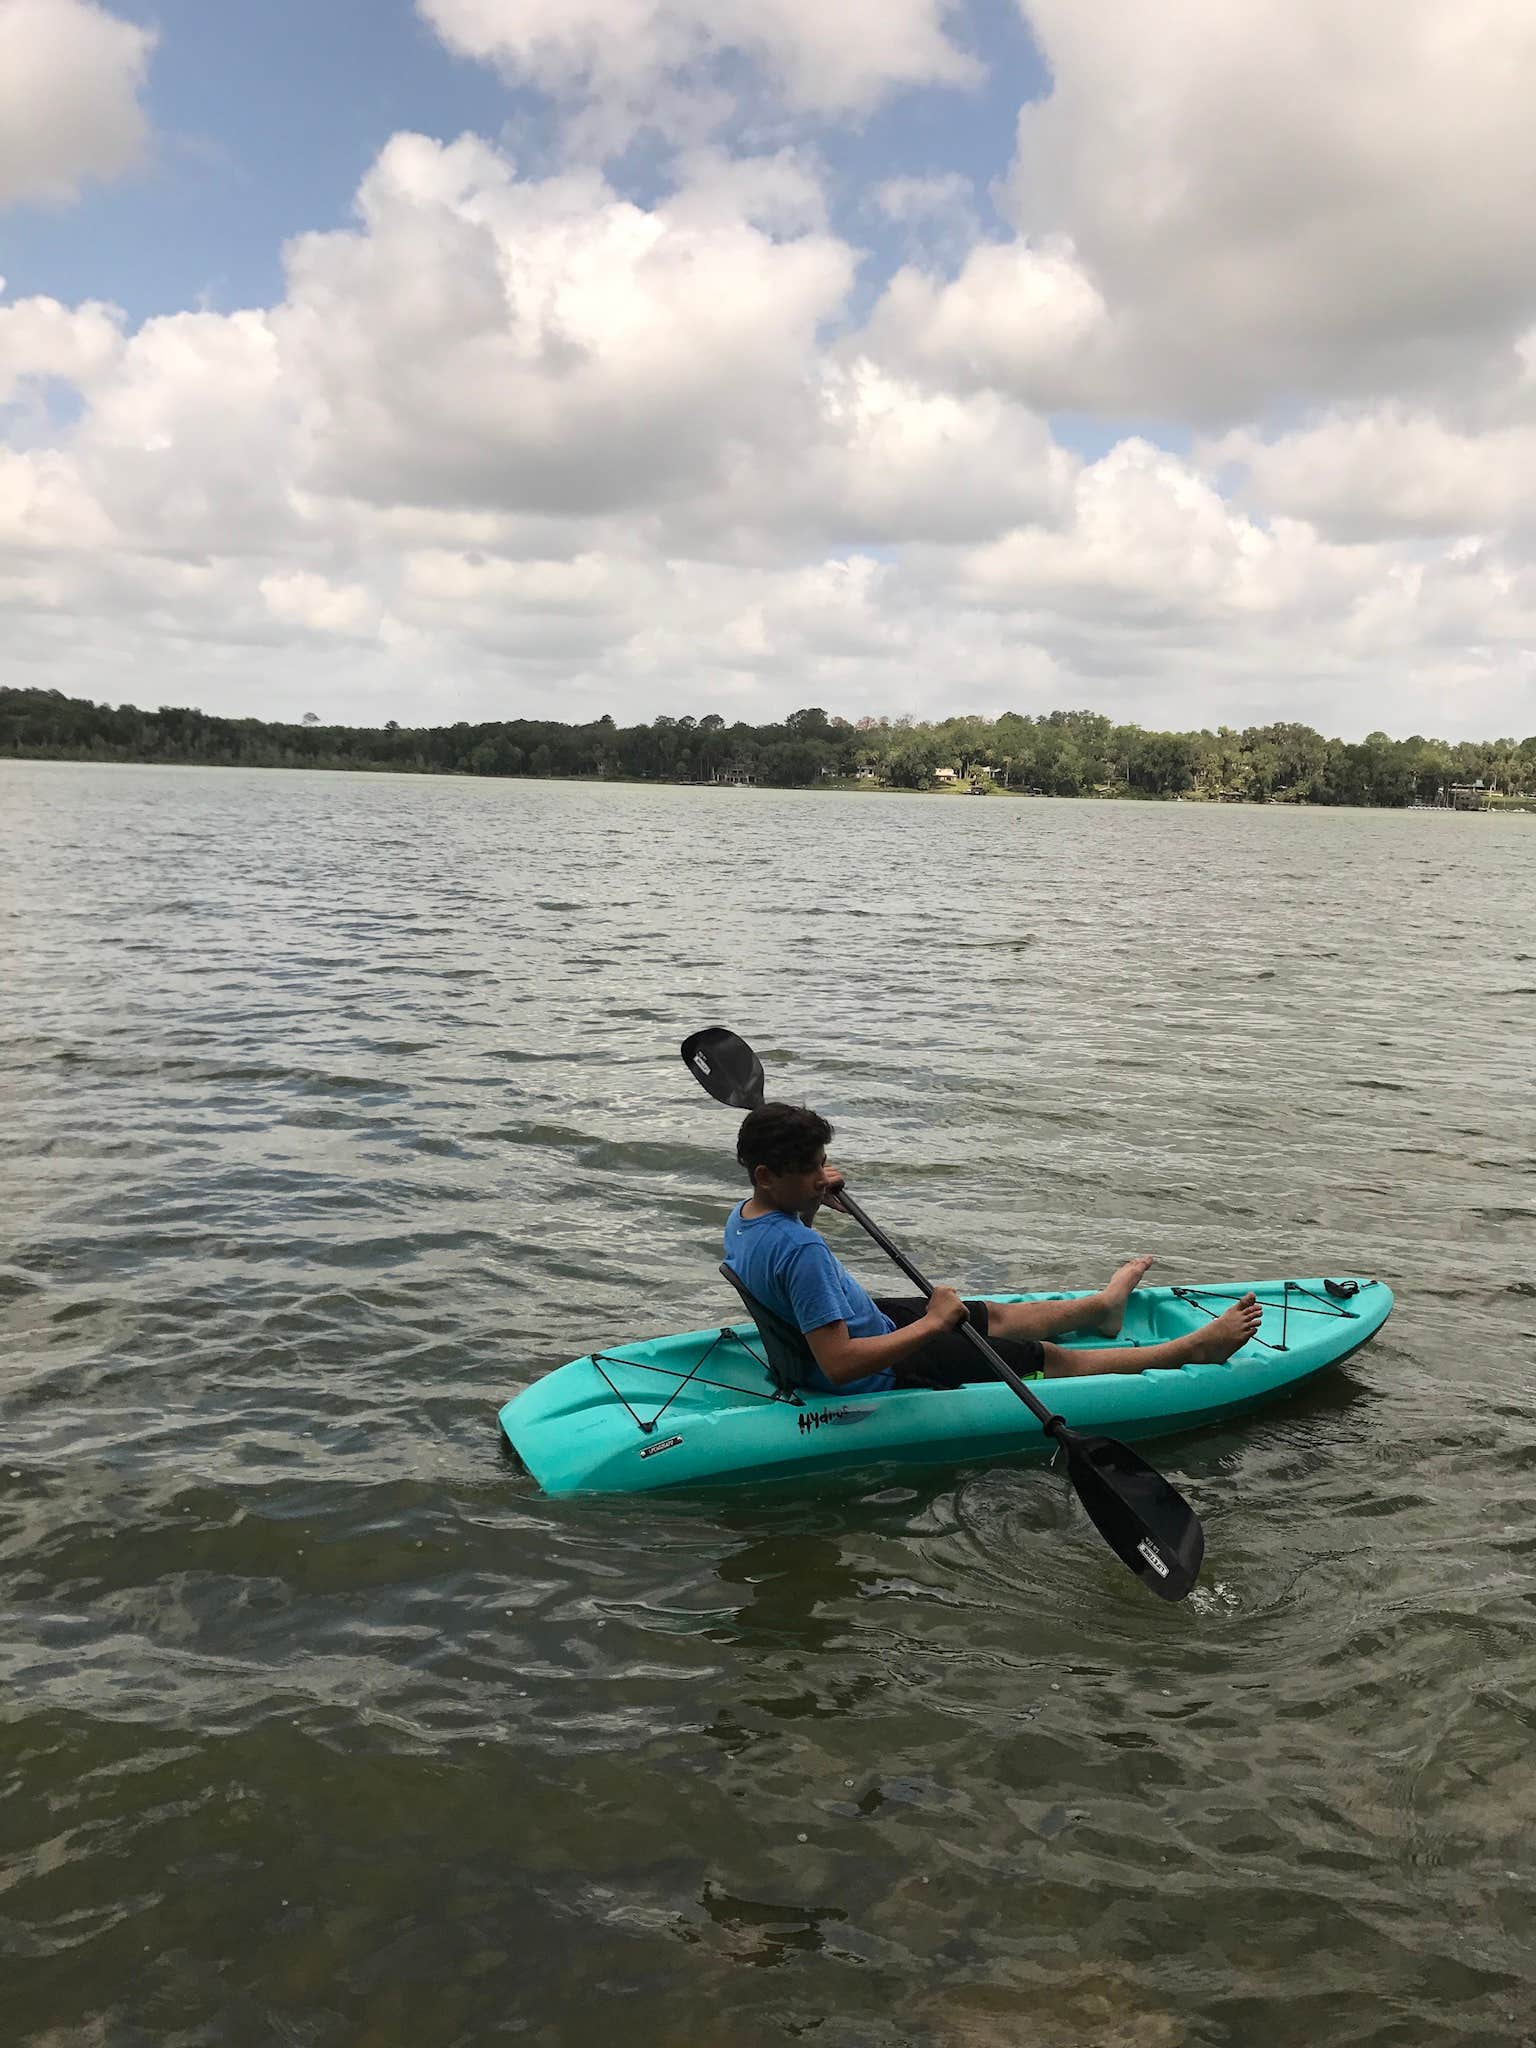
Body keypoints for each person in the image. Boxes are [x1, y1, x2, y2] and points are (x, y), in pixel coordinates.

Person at [723, 1103, 1261, 1397]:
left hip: (864, 1323)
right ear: (767, 1175)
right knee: (1050, 1360)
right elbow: (839, 1365)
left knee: (993, 1315)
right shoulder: (803, 1251)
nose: (826, 1175)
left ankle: (1102, 1309)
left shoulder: (745, 1219)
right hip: (881, 1367)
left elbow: (788, 1262)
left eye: (823, 1162)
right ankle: (1192, 1351)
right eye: (813, 1168)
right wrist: (933, 1326)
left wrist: (813, 1199)